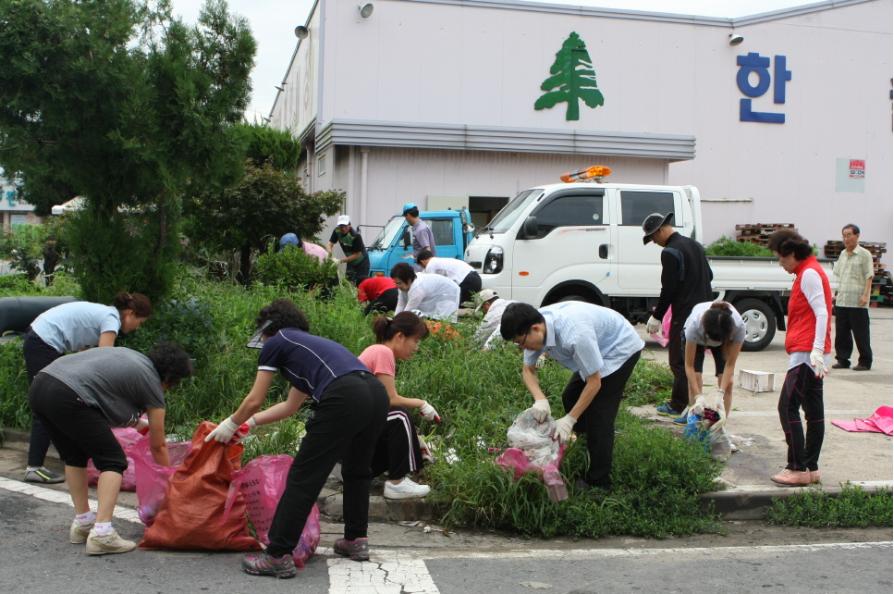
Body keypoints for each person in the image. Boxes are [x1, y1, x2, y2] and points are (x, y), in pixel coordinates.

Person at [206, 299, 388, 579]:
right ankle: (355, 540)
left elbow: (255, 399)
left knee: (304, 476)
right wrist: (250, 424)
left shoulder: (275, 341)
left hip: (343, 395)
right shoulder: (308, 346)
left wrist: (231, 423)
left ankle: (277, 554)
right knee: (357, 471)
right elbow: (290, 407)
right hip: (375, 393)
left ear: (267, 326)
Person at [28, 342, 192, 555]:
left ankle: (83, 523)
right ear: (170, 379)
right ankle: (102, 534)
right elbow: (159, 445)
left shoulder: (132, 357)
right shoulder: (152, 382)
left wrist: (139, 426)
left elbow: (104, 397)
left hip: (41, 386)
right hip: (69, 394)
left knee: (75, 456)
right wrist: (168, 482)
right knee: (113, 461)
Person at [500, 301, 644, 491]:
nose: (522, 349)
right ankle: (587, 443)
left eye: (521, 342)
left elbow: (594, 382)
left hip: (619, 349)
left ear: (535, 328)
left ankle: (598, 482)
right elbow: (528, 370)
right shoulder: (537, 325)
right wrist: (540, 399)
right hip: (595, 347)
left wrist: (569, 419)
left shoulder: (574, 334)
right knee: (570, 397)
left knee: (599, 415)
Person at [22, 292, 153, 484]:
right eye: (140, 322)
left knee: (60, 401)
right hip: (43, 341)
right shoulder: (111, 319)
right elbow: (104, 362)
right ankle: (34, 467)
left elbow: (85, 360)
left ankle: (70, 455)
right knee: (46, 403)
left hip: (42, 339)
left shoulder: (105, 315)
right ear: (131, 313)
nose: (137, 328)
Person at [767, 229, 832, 486]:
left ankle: (797, 466)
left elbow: (823, 313)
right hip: (811, 351)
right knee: (813, 411)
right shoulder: (806, 271)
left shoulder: (809, 273)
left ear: (792, 253)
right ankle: (811, 467)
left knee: (787, 406)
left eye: (781, 259)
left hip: (807, 353)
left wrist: (816, 350)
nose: (780, 264)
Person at [358, 312, 439, 499]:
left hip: (356, 437)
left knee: (401, 420)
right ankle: (397, 483)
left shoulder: (378, 351)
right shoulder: (382, 352)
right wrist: (422, 403)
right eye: (416, 340)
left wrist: (413, 439)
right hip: (352, 433)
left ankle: (396, 476)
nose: (416, 348)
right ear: (400, 336)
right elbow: (390, 400)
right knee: (400, 416)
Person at [641, 212, 713, 418]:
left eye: (654, 237)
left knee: (679, 361)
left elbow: (669, 289)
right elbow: (709, 275)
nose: (654, 242)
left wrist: (657, 316)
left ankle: (679, 404)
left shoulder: (670, 252)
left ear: (662, 230)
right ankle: (693, 403)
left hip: (684, 314)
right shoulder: (695, 245)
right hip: (704, 311)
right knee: (695, 361)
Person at [681, 301, 745, 424]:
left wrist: (720, 394)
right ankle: (694, 420)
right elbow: (689, 366)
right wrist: (698, 396)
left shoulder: (738, 327)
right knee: (696, 377)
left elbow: (730, 364)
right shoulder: (694, 325)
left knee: (728, 383)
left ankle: (721, 423)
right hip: (698, 339)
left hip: (724, 338)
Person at [832, 223, 873, 371]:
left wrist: (865, 296)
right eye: (844, 235)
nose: (846, 238)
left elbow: (869, 276)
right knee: (841, 333)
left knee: (861, 334)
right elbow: (838, 275)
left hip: (858, 302)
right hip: (843, 300)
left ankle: (865, 361)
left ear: (857, 236)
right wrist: (835, 294)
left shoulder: (864, 254)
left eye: (849, 235)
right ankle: (843, 360)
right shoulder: (843, 254)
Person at [390, 262, 460, 322]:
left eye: (399, 283)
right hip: (434, 292)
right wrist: (394, 319)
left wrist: (395, 322)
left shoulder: (417, 288)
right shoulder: (404, 285)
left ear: (408, 280)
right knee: (431, 318)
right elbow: (401, 305)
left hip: (448, 290)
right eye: (395, 283)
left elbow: (408, 311)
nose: (397, 285)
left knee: (444, 319)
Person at [416, 248, 482, 305]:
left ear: (422, 261)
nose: (423, 268)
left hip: (468, 280)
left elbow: (430, 286)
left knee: (450, 304)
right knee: (457, 302)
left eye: (421, 266)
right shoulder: (438, 261)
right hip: (475, 278)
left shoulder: (430, 265)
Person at [327, 215, 369, 285]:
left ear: (349, 225)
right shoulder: (337, 231)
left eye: (345, 226)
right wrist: (330, 256)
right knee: (348, 283)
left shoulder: (356, 236)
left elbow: (357, 255)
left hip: (362, 262)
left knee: (361, 284)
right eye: (341, 226)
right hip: (351, 261)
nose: (343, 228)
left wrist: (340, 261)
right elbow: (329, 244)